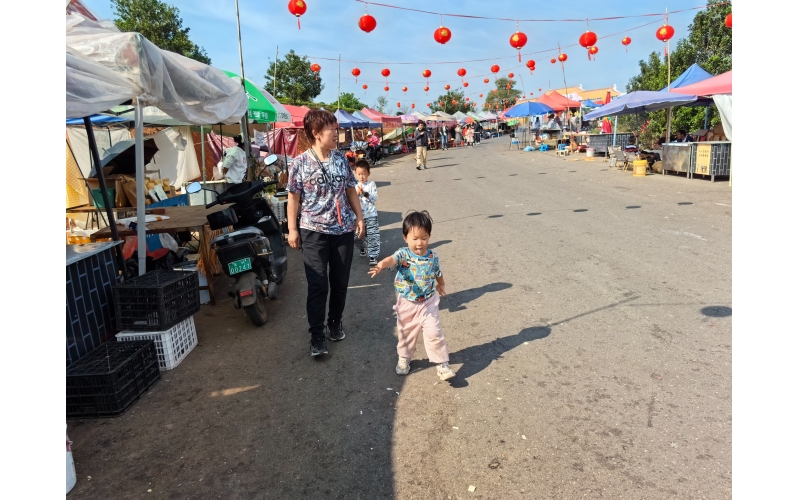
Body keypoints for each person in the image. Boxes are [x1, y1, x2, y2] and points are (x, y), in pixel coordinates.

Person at [287, 109, 366, 357]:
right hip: (313, 231)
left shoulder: (341, 159)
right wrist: (291, 229)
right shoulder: (299, 163)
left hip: (343, 231)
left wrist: (359, 216)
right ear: (316, 133)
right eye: (332, 129)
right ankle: (317, 335)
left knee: (340, 281)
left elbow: (351, 190)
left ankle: (334, 322)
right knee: (318, 283)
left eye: (336, 128)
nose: (337, 133)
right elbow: (293, 198)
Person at [368, 210, 456, 381]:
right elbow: (391, 259)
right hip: (406, 303)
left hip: (428, 303)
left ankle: (442, 364)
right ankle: (404, 358)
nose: (419, 243)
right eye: (414, 239)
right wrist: (381, 265)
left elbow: (438, 273)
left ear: (429, 237)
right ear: (405, 237)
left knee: (434, 333)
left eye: (424, 238)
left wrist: (442, 284)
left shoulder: (432, 257)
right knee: (406, 334)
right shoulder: (403, 254)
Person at [353, 160, 380, 266]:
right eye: (359, 174)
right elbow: (351, 200)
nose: (361, 176)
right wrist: (356, 193)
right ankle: (362, 247)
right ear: (355, 173)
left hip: (371, 215)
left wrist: (364, 193)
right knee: (357, 236)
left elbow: (374, 198)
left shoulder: (371, 184)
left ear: (368, 173)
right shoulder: (353, 186)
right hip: (358, 217)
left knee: (373, 235)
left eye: (363, 174)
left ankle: (373, 256)